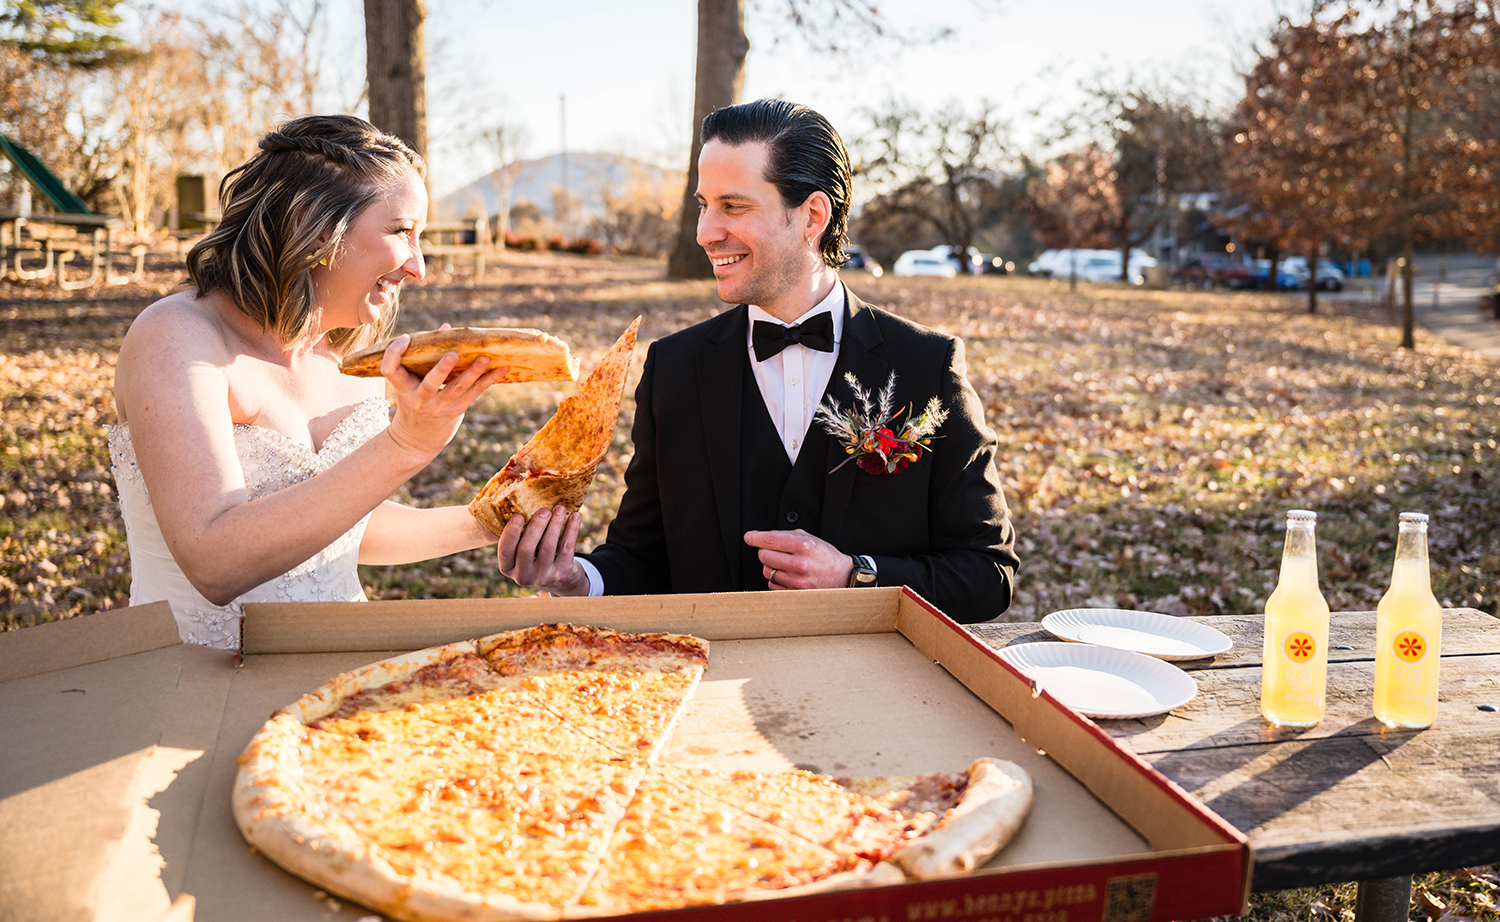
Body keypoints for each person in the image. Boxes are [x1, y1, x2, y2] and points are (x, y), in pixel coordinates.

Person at [499, 99, 1017, 623]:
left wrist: (854, 574)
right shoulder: (674, 370)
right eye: (704, 205)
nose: (705, 231)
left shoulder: (926, 366)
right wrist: (573, 579)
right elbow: (643, 558)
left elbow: (987, 574)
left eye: (733, 206)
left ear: (813, 216)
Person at [110, 114, 507, 649]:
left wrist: (492, 522)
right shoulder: (176, 337)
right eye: (401, 232)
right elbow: (213, 561)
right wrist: (407, 445)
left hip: (338, 668)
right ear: (316, 228)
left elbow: (342, 527)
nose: (419, 266)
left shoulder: (346, 355)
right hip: (193, 681)